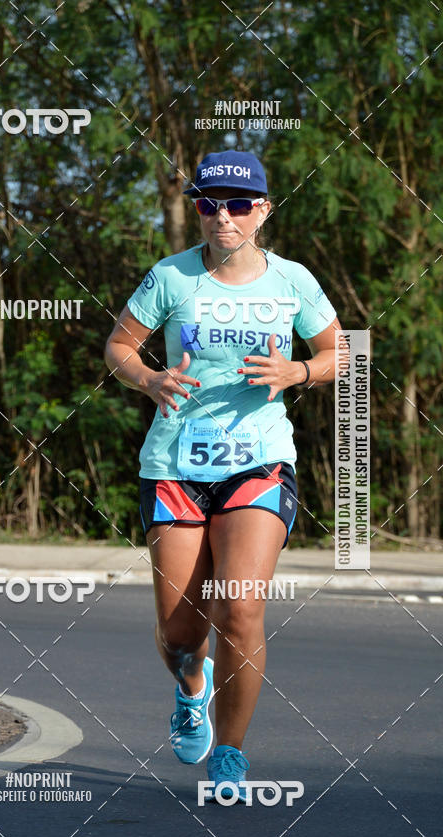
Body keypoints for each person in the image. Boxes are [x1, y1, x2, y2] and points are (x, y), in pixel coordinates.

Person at [104, 150, 341, 799]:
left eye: (239, 205)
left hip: (259, 459)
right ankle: (190, 687)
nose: (224, 217)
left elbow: (337, 353)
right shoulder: (170, 277)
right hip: (176, 462)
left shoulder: (292, 281)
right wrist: (149, 377)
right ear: (198, 208)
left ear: (263, 209)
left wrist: (297, 372)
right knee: (181, 631)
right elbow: (119, 345)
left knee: (239, 608)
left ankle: (231, 752)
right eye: (211, 204)